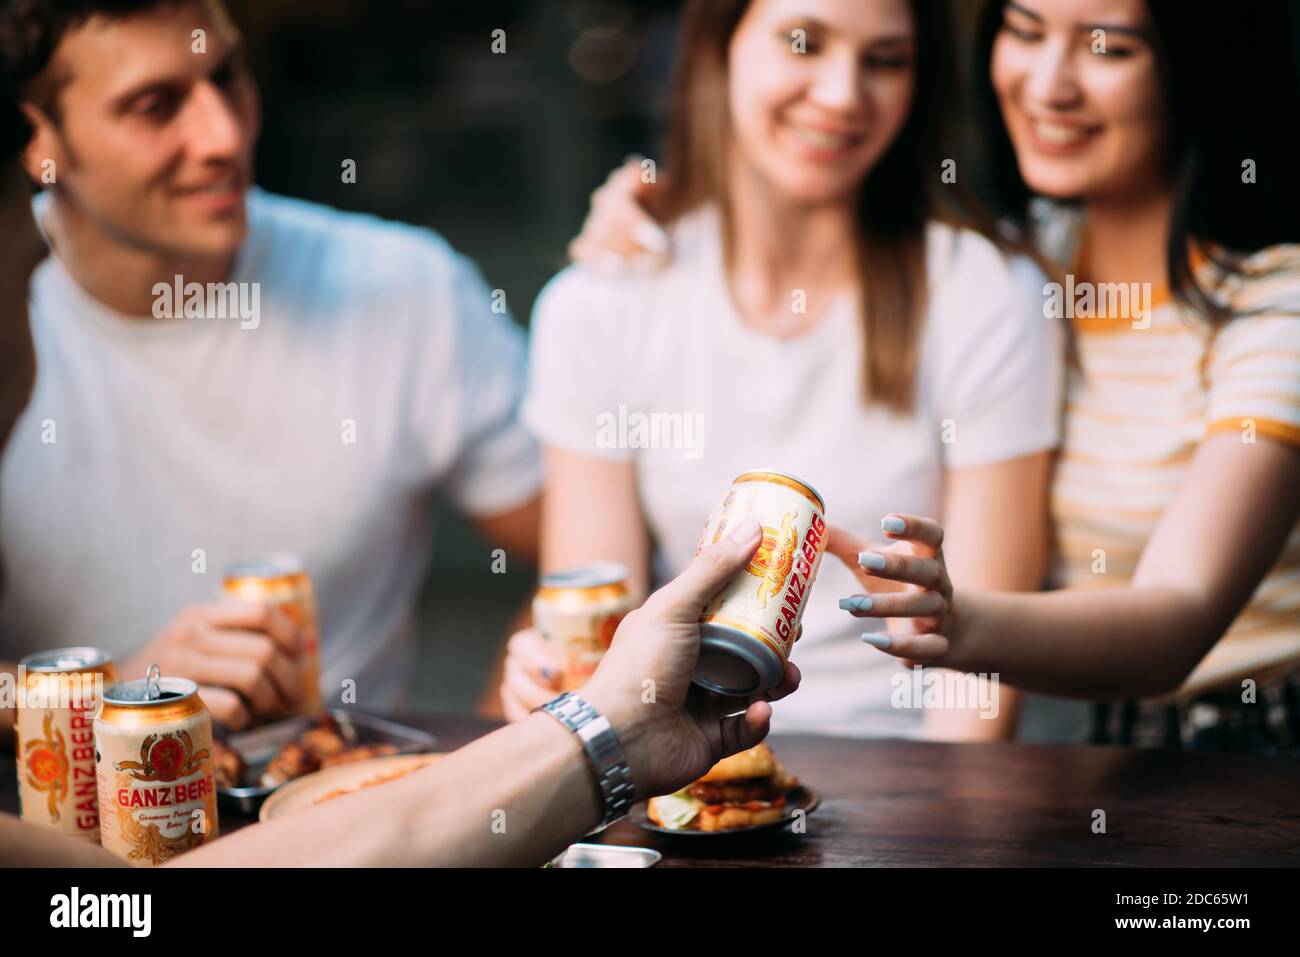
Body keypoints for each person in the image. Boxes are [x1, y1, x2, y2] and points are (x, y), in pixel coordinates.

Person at [500, 0, 1064, 741]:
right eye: (805, 44)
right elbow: (598, 624)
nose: (841, 94)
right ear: (718, 48)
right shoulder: (600, 303)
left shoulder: (985, 294)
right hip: (679, 778)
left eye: (885, 60)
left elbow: (977, 697)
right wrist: (562, 700)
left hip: (914, 789)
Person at [0, 0, 541, 731]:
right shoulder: (10, 296)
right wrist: (117, 695)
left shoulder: (405, 287)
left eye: (227, 77)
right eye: (155, 107)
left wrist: (496, 772)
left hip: (351, 820)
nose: (223, 135)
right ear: (40, 142)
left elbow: (593, 559)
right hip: (57, 832)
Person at [833, 0, 1300, 749]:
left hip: (1250, 759)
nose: (1048, 85)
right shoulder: (1029, 260)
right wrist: (658, 217)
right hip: (1084, 752)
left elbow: (1178, 614)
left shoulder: (1276, 309)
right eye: (1023, 32)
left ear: (1199, 71)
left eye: (1108, 49)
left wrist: (961, 620)